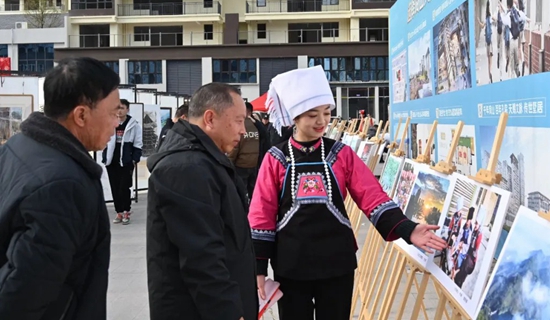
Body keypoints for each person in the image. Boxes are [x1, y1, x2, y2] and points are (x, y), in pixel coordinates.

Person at [248, 66, 446, 320]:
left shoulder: (341, 154)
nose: (321, 121)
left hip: (337, 260)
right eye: (312, 115)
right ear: (294, 117)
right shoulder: (275, 158)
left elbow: (371, 195)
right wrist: (258, 266)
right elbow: (261, 213)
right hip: (291, 263)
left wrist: (407, 229)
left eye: (326, 113)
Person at [0, 57, 119, 319]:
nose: (116, 123)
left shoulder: (19, 146)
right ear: (81, 115)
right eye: (113, 113)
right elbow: (22, 295)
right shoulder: (63, 185)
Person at [146, 83, 257, 320]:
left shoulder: (204, 160)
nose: (243, 130)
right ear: (210, 118)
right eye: (238, 121)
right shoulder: (187, 168)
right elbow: (201, 256)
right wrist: (228, 312)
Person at [102, 98, 143, 225]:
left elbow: (138, 143)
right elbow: (105, 141)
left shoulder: (133, 124)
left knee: (124, 187)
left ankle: (126, 211)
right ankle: (118, 212)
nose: (119, 111)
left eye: (122, 108)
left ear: (127, 109)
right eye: (117, 108)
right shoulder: (110, 123)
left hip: (126, 161)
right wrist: (104, 157)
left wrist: (134, 159)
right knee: (114, 187)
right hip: (112, 161)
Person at [229, 101, 269, 200]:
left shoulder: (240, 125)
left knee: (240, 192)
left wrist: (229, 162)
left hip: (240, 165)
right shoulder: (256, 125)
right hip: (254, 164)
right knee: (253, 191)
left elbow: (235, 147)